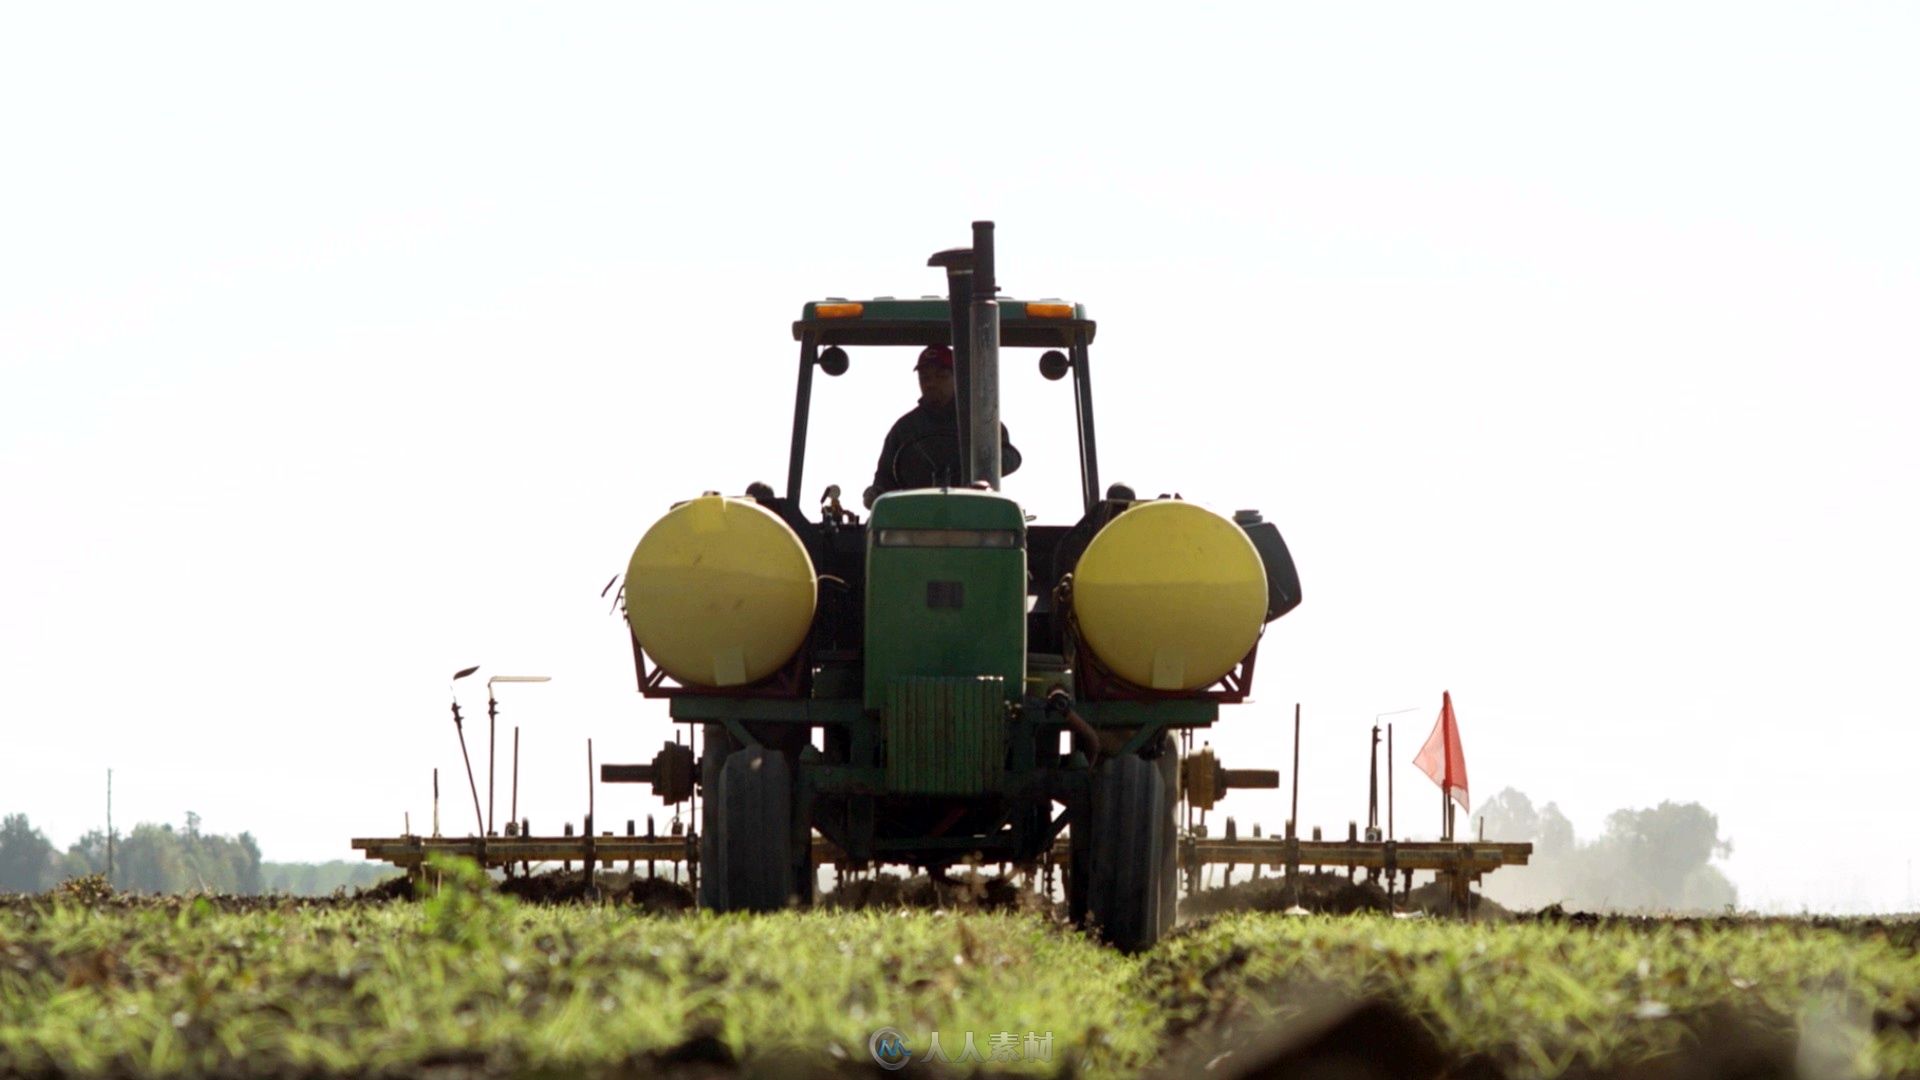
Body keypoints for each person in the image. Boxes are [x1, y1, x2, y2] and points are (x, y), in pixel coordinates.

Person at [864, 344, 1022, 508]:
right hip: (915, 518)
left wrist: (980, 465)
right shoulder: (905, 428)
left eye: (941, 376)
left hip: (972, 511)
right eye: (925, 378)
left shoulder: (980, 423)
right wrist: (875, 493)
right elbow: (884, 478)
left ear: (958, 378)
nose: (931, 383)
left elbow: (1011, 457)